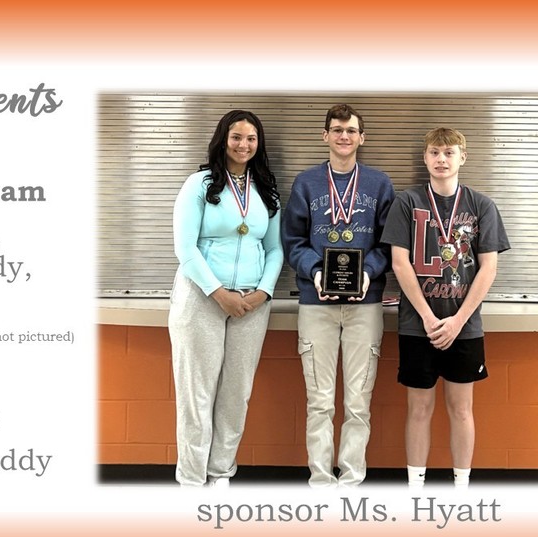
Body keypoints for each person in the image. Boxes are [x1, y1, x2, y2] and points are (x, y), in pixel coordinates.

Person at [382, 127, 511, 488]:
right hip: (415, 325)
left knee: (461, 409)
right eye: (435, 153)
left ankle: (461, 488)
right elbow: (399, 263)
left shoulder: (481, 205)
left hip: (464, 327)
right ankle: (416, 489)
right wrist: (427, 316)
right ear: (425, 158)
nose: (442, 159)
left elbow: (489, 267)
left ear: (462, 158)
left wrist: (457, 320)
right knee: (418, 409)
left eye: (449, 153)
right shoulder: (407, 202)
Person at [169, 110, 284, 487]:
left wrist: (263, 291)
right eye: (236, 137)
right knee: (196, 394)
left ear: (258, 144)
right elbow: (185, 249)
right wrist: (218, 293)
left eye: (251, 138)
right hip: (201, 299)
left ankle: (220, 474)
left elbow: (275, 250)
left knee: (237, 395)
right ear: (223, 139)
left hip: (251, 304)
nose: (243, 145)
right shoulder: (199, 184)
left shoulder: (266, 189)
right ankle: (191, 480)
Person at [282, 104, 395, 487]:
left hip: (365, 304)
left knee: (358, 403)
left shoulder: (380, 185)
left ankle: (350, 482)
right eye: (336, 129)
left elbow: (389, 245)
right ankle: (319, 482)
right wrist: (315, 271)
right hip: (317, 306)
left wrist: (366, 272)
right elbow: (293, 242)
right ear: (324, 136)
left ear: (362, 137)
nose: (343, 136)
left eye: (351, 130)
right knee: (319, 401)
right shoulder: (306, 183)